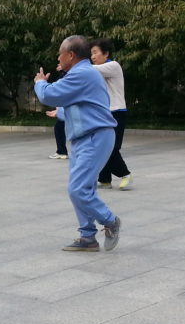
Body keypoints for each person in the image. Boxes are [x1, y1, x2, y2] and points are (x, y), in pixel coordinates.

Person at [34, 35, 122, 252]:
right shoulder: (82, 73)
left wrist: (40, 83)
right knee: (84, 188)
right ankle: (87, 237)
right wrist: (61, 112)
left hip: (95, 136)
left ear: (70, 55)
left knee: (78, 189)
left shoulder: (82, 73)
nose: (58, 57)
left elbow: (50, 94)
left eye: (60, 53)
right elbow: (81, 103)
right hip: (85, 137)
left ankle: (110, 220)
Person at [91, 38, 132, 189]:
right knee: (102, 146)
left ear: (106, 53)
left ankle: (125, 174)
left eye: (95, 52)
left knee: (111, 147)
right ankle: (105, 179)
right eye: (91, 53)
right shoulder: (98, 71)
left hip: (117, 112)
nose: (92, 56)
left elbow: (89, 70)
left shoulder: (113, 66)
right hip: (104, 113)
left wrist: (74, 65)